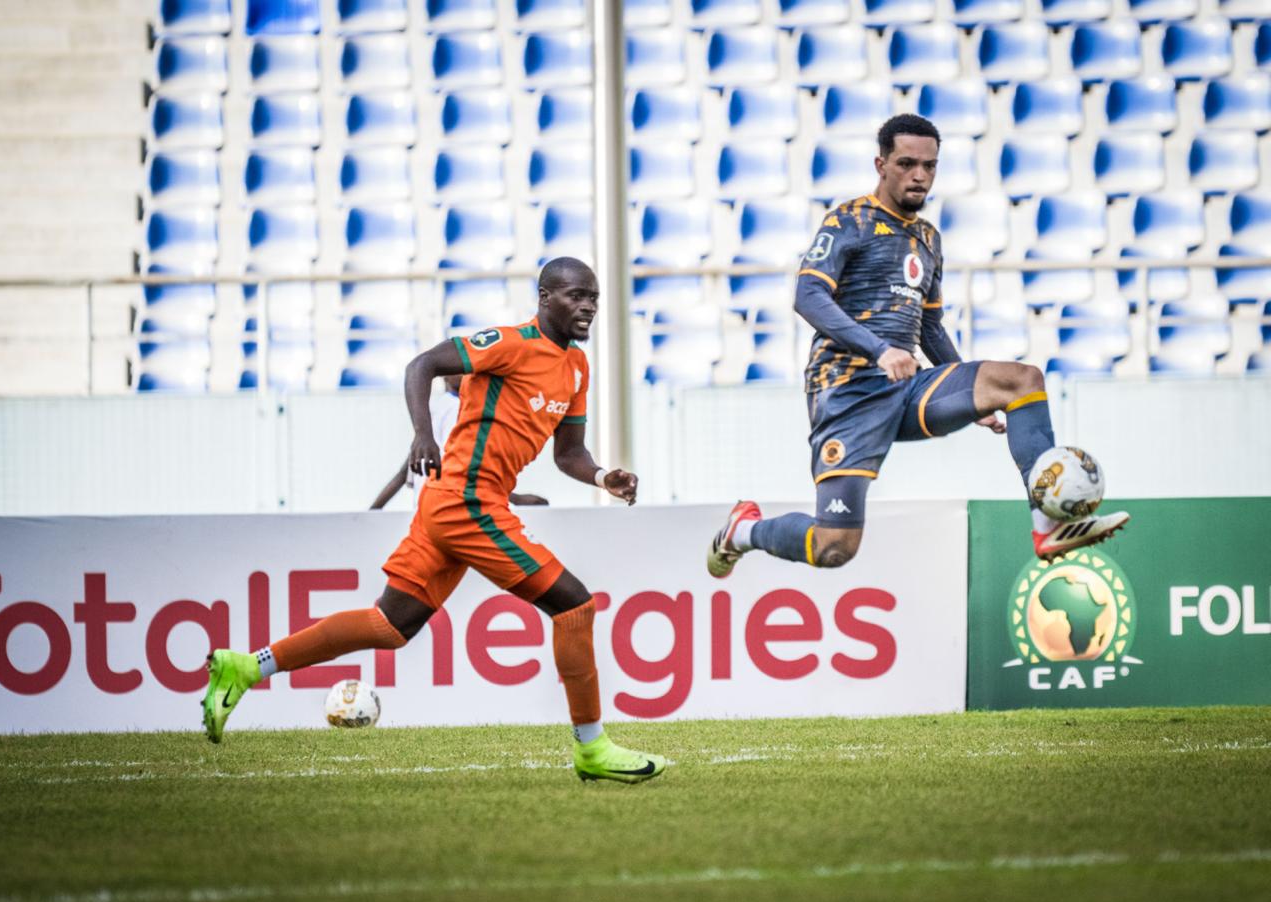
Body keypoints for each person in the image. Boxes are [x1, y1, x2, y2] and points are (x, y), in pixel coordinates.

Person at [205, 257, 666, 784]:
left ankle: (246, 667)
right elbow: (421, 365)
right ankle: (592, 748)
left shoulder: (577, 368)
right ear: (544, 298)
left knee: (389, 625)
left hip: (452, 503)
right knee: (575, 606)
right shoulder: (510, 343)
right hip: (468, 502)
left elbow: (570, 454)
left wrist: (603, 476)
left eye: (594, 298)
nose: (587, 306)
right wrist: (422, 435)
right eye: (576, 295)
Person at [707, 114, 1129, 577]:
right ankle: (742, 531)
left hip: (906, 388)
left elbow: (929, 328)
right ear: (881, 164)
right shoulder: (849, 220)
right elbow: (807, 295)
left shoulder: (928, 238)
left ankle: (1046, 527)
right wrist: (879, 350)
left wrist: (978, 398)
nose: (920, 175)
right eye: (907, 163)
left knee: (1020, 381)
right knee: (834, 548)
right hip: (848, 393)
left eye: (929, 166)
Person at [370, 374, 549, 510]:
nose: (467, 372)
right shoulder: (457, 409)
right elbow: (461, 468)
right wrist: (515, 499)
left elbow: (404, 473)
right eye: (459, 368)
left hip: (426, 509)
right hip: (453, 509)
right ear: (444, 374)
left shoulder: (435, 410)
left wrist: (371, 512)